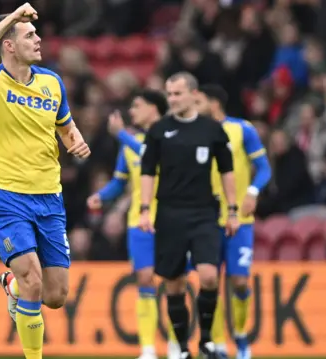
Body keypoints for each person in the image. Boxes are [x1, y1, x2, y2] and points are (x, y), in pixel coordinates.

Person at [0, 4, 91, 359]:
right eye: (29, 35)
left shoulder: (52, 83)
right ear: (8, 44)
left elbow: (65, 126)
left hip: (49, 195)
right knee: (33, 279)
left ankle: (11, 285)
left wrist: (74, 141)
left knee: (55, 295)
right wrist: (12, 18)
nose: (38, 40)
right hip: (6, 194)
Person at [139, 72, 239, 359]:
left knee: (209, 276)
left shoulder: (212, 130)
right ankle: (182, 347)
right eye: (169, 94)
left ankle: (206, 339)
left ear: (193, 94)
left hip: (204, 212)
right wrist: (146, 209)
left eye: (177, 94)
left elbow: (227, 171)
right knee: (174, 283)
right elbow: (147, 171)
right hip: (169, 213)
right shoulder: (159, 130)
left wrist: (232, 210)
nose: (172, 99)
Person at [87, 90, 168, 359]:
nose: (132, 112)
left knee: (174, 281)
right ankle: (148, 348)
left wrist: (122, 134)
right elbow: (120, 181)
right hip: (139, 221)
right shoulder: (129, 144)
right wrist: (103, 196)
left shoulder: (169, 135)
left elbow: (153, 157)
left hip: (171, 219)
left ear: (154, 108)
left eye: (137, 106)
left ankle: (177, 344)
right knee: (144, 278)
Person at [196, 84, 271, 359]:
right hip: (206, 220)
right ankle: (216, 344)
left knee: (239, 281)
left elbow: (263, 167)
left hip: (239, 220)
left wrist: (252, 191)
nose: (195, 104)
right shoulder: (194, 132)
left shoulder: (243, 130)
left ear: (214, 104)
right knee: (209, 281)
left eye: (199, 100)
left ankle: (240, 334)